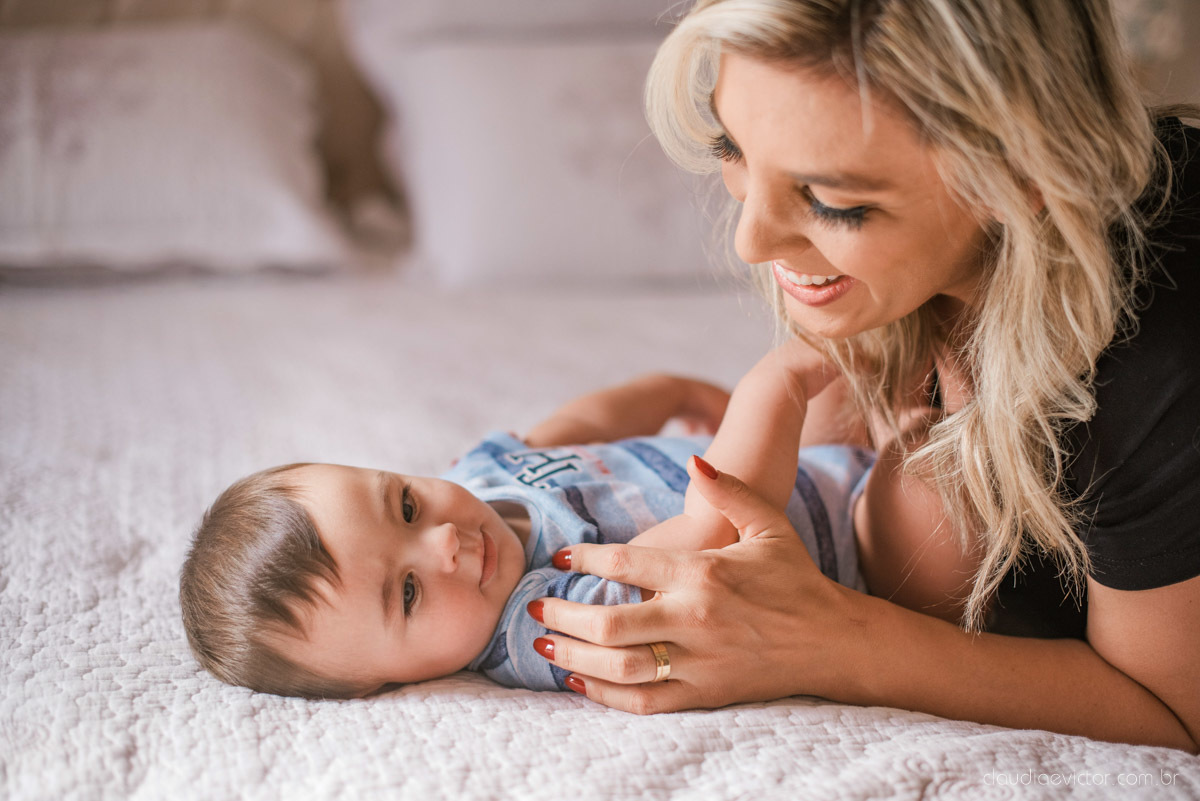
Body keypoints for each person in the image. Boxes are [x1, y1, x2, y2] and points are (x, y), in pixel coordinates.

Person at [524, 0, 1200, 751]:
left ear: (1023, 170)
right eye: (732, 144)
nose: (751, 241)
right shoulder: (927, 282)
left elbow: (1172, 714)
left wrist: (823, 638)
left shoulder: (1159, 355)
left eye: (834, 202)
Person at [179, 352, 871, 699]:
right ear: (383, 682)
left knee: (871, 368)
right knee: (921, 490)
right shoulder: (541, 622)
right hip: (859, 541)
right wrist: (770, 387)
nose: (443, 542)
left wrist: (674, 392)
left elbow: (574, 429)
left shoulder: (480, 475)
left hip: (811, 461)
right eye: (410, 593)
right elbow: (708, 539)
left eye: (407, 506)